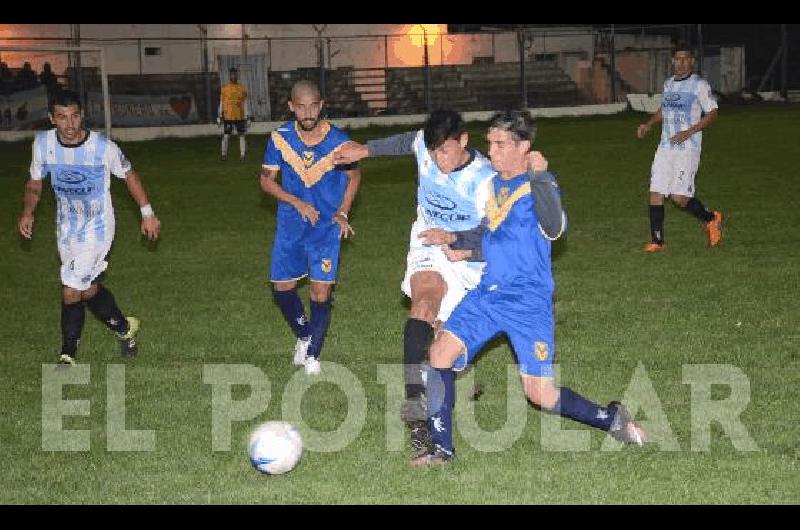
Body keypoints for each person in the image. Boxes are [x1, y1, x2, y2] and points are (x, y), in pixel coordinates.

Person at [410, 110, 645, 466]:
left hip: (527, 303)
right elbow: (490, 235)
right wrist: (457, 240)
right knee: (439, 355)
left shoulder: (538, 185)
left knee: (539, 393)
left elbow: (554, 229)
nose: (492, 151)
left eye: (501, 144)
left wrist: (541, 175)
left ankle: (611, 419)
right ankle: (441, 450)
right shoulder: (491, 185)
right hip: (489, 293)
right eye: (489, 143)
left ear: (525, 147)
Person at [332, 110, 548, 457]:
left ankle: (452, 375)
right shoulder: (427, 147)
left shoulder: (486, 179)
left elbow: (498, 235)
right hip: (429, 242)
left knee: (446, 349)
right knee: (424, 304)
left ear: (463, 141)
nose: (436, 159)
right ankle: (417, 409)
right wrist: (365, 150)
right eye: (432, 152)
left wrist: (458, 239)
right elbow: (407, 142)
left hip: (470, 257)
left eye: (444, 151)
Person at [17, 89, 161, 367]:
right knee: (86, 289)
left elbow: (129, 175)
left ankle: (67, 354)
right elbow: (35, 181)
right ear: (52, 118)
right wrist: (28, 211)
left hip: (98, 227)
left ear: (82, 115)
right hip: (66, 226)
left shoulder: (102, 148)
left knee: (70, 289)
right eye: (62, 117)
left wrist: (147, 213)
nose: (70, 125)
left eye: (75, 117)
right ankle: (123, 329)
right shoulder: (43, 144)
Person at [260, 80, 361, 376]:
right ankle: (304, 335)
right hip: (291, 225)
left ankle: (313, 354)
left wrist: (343, 212)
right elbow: (266, 180)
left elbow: (354, 177)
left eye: (312, 106)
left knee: (320, 293)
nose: (307, 112)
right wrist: (297, 203)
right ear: (291, 107)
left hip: (326, 228)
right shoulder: (279, 139)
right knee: (282, 289)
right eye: (300, 106)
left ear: (321, 105)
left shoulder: (339, 141)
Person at [637, 42, 723, 252]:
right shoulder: (669, 84)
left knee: (678, 197)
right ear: (673, 61)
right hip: (665, 147)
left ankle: (712, 218)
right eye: (678, 59)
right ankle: (658, 242)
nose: (682, 63)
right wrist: (648, 124)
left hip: (687, 148)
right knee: (656, 191)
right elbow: (664, 110)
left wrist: (689, 131)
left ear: (692, 61)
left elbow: (712, 113)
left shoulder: (699, 85)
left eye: (686, 59)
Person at [218, 67, 251, 161]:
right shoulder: (225, 89)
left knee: (241, 135)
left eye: (235, 74)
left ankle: (242, 155)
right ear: (229, 76)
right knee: (226, 136)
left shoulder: (241, 89)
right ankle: (224, 154)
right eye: (232, 74)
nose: (233, 76)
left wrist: (247, 116)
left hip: (239, 116)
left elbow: (245, 103)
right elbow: (221, 102)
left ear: (237, 75)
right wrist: (220, 115)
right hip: (228, 116)